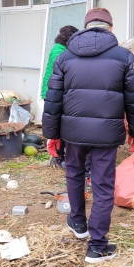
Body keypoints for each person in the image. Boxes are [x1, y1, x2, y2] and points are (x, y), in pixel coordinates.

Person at [43, 8, 134, 263]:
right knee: (102, 184)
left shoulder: (64, 57)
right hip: (107, 133)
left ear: (85, 27)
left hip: (72, 131)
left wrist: (51, 134)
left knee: (74, 173)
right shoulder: (124, 56)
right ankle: (97, 246)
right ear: (110, 28)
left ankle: (78, 223)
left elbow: (53, 100)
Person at [40, 25, 79, 168]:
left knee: (59, 124)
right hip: (53, 92)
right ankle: (56, 157)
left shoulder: (60, 49)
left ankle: (59, 156)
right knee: (57, 125)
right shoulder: (60, 52)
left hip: (54, 91)